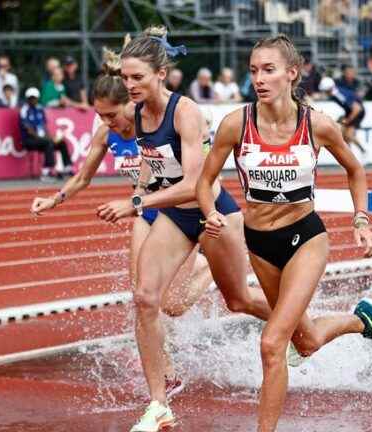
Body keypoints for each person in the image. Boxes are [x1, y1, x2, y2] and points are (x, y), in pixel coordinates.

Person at [196, 34, 372, 432]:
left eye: (268, 70)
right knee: (303, 342)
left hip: (305, 238)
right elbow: (205, 181)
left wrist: (361, 220)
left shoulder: (317, 125)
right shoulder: (236, 124)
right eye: (253, 70)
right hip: (260, 243)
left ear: (292, 73)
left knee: (273, 343)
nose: (259, 78)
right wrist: (209, 213)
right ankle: (362, 320)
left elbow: (355, 170)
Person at [94, 27, 273, 432]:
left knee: (240, 301)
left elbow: (195, 184)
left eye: (137, 77)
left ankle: (299, 323)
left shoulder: (185, 111)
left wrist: (135, 203)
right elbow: (134, 149)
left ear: (161, 73)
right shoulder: (135, 113)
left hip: (214, 214)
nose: (130, 86)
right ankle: (159, 404)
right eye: (126, 78)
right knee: (145, 298)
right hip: (176, 216)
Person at [30, 49, 217, 399]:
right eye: (100, 116)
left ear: (127, 106)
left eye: (112, 115)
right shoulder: (106, 133)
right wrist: (53, 200)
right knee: (143, 298)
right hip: (144, 210)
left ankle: (208, 270)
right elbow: (83, 178)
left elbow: (190, 162)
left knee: (172, 305)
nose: (108, 122)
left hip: (172, 205)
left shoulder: (150, 121)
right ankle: (167, 373)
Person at [19, 87, 73, 181]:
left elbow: (44, 127)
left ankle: (67, 169)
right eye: (31, 98)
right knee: (48, 143)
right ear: (27, 99)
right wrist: (44, 138)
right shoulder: (24, 110)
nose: (33, 100)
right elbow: (28, 130)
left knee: (61, 143)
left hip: (41, 138)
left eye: (34, 98)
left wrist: (51, 137)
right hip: (28, 140)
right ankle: (46, 172)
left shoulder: (40, 109)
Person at [318, 76, 367, 155]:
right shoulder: (334, 93)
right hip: (350, 112)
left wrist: (347, 120)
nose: (324, 93)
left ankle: (363, 152)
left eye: (325, 91)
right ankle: (351, 156)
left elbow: (357, 108)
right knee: (342, 135)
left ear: (329, 89)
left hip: (358, 112)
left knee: (348, 135)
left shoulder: (339, 95)